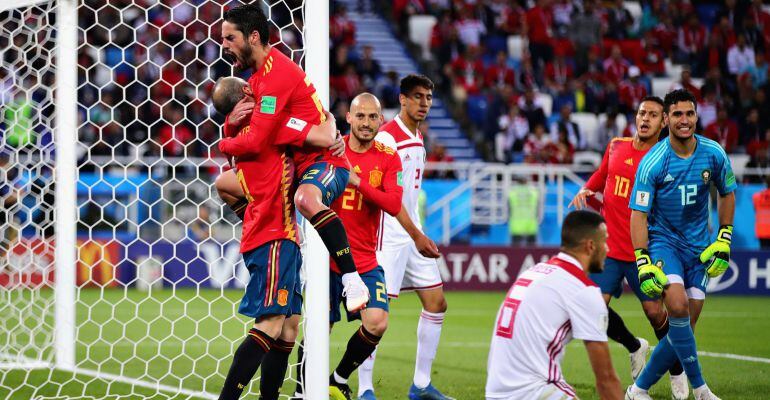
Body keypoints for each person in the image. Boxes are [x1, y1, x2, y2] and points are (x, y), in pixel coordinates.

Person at [220, 4, 371, 314]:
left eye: (229, 38)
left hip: (325, 164)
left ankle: (352, 278)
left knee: (305, 197)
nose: (224, 46)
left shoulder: (276, 75)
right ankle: (270, 227)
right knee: (225, 184)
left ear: (253, 36)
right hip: (297, 168)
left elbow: (316, 138)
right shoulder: (259, 80)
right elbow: (316, 126)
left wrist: (224, 141)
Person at [569, 96, 689, 399]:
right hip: (609, 250)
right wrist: (588, 188)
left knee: (655, 313)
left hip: (643, 252)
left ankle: (677, 371)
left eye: (652, 115)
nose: (645, 119)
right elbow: (603, 174)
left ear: (664, 122)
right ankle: (635, 346)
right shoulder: (616, 146)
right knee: (594, 310)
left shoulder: (665, 159)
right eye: (641, 113)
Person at [626, 89, 736, 400]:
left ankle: (638, 390)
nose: (684, 120)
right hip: (664, 244)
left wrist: (724, 238)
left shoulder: (714, 153)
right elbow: (638, 213)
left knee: (683, 327)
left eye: (689, 114)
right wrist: (642, 259)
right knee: (676, 306)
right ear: (667, 119)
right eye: (677, 114)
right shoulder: (653, 162)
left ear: (697, 117)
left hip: (700, 249)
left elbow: (727, 192)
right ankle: (700, 389)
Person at [294, 93, 403, 400]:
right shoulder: (330, 148)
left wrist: (358, 183)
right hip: (324, 260)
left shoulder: (387, 156)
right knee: (319, 330)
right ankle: (301, 391)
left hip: (365, 260)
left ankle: (338, 378)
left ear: (381, 121)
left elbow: (394, 204)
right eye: (361, 116)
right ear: (349, 118)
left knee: (377, 322)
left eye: (373, 117)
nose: (366, 123)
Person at [356, 74, 452, 400]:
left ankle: (421, 385)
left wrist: (418, 233)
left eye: (428, 97)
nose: (424, 103)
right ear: (402, 99)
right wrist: (417, 235)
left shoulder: (417, 135)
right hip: (389, 237)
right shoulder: (387, 138)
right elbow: (385, 195)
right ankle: (366, 387)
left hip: (412, 232)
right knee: (377, 316)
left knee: (436, 304)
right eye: (417, 97)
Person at [212, 76, 303, 400]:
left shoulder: (238, 132)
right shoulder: (261, 127)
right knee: (272, 322)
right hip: (274, 237)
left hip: (280, 235)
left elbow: (226, 182)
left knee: (289, 325)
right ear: (248, 93)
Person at [485, 210, 622, 400]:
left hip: (495, 393)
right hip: (534, 392)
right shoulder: (583, 289)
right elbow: (606, 379)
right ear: (590, 246)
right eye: (604, 241)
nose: (608, 249)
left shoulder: (534, 271)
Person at [753, 176, 770, 249]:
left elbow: (755, 209)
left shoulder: (756, 197)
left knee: (763, 255)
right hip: (762, 231)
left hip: (762, 230)